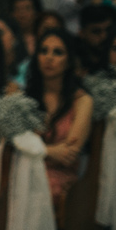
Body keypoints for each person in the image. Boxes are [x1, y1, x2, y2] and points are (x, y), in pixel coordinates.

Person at [27, 29, 94, 204]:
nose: (49, 58)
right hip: (26, 171)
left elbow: (68, 154)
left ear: (69, 60)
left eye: (58, 52)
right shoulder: (26, 98)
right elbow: (15, 145)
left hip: (61, 180)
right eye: (44, 51)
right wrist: (49, 151)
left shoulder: (82, 101)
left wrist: (33, 151)